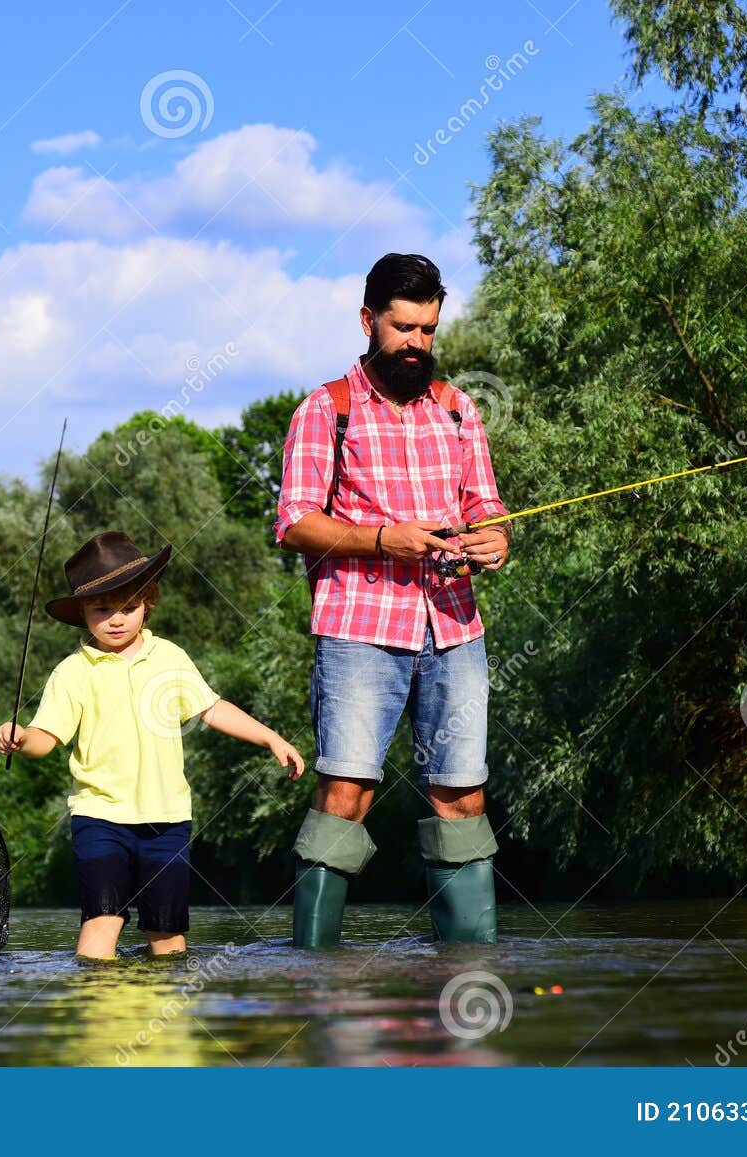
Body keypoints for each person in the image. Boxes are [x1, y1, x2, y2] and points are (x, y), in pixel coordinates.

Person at [275, 253, 512, 946]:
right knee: (347, 793)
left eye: (428, 330)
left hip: (455, 628)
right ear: (368, 319)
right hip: (359, 627)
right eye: (403, 327)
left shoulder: (458, 408)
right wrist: (384, 539)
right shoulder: (326, 410)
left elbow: (487, 509)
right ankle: (314, 967)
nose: (416, 343)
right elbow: (294, 522)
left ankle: (467, 969)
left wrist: (494, 542)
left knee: (462, 795)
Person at [0, 531, 304, 958]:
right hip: (99, 817)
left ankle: (164, 1018)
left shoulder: (170, 658)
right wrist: (20, 737)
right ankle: (99, 1013)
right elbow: (45, 740)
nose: (117, 618)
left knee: (167, 936)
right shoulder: (71, 672)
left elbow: (211, 709)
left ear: (148, 603)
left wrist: (270, 737)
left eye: (128, 607)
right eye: (103, 609)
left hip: (167, 820)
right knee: (101, 924)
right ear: (83, 612)